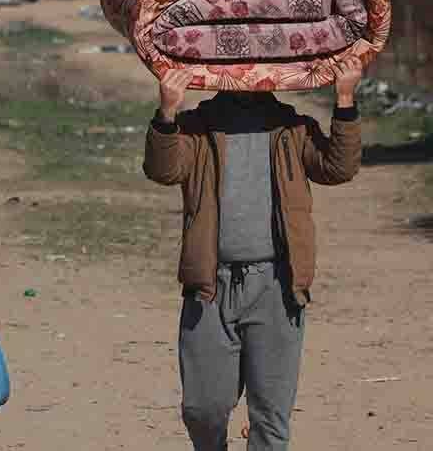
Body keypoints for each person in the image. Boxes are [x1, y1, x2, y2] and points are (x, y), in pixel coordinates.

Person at [143, 58, 364, 451]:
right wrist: (167, 111)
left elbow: (337, 168)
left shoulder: (293, 128)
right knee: (203, 409)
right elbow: (163, 170)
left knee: (271, 418)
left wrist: (345, 100)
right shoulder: (196, 128)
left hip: (277, 288)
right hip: (211, 289)